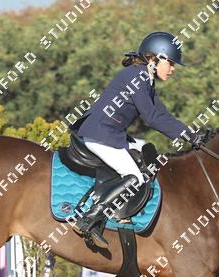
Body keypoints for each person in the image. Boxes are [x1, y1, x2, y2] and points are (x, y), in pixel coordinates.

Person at [72, 32, 204, 248]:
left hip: (110, 133)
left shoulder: (145, 78)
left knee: (145, 149)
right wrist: (191, 137)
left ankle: (125, 212)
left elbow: (162, 114)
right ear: (154, 59)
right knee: (134, 176)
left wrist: (191, 133)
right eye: (170, 63)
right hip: (100, 134)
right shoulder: (138, 78)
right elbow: (152, 118)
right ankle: (88, 219)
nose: (173, 69)